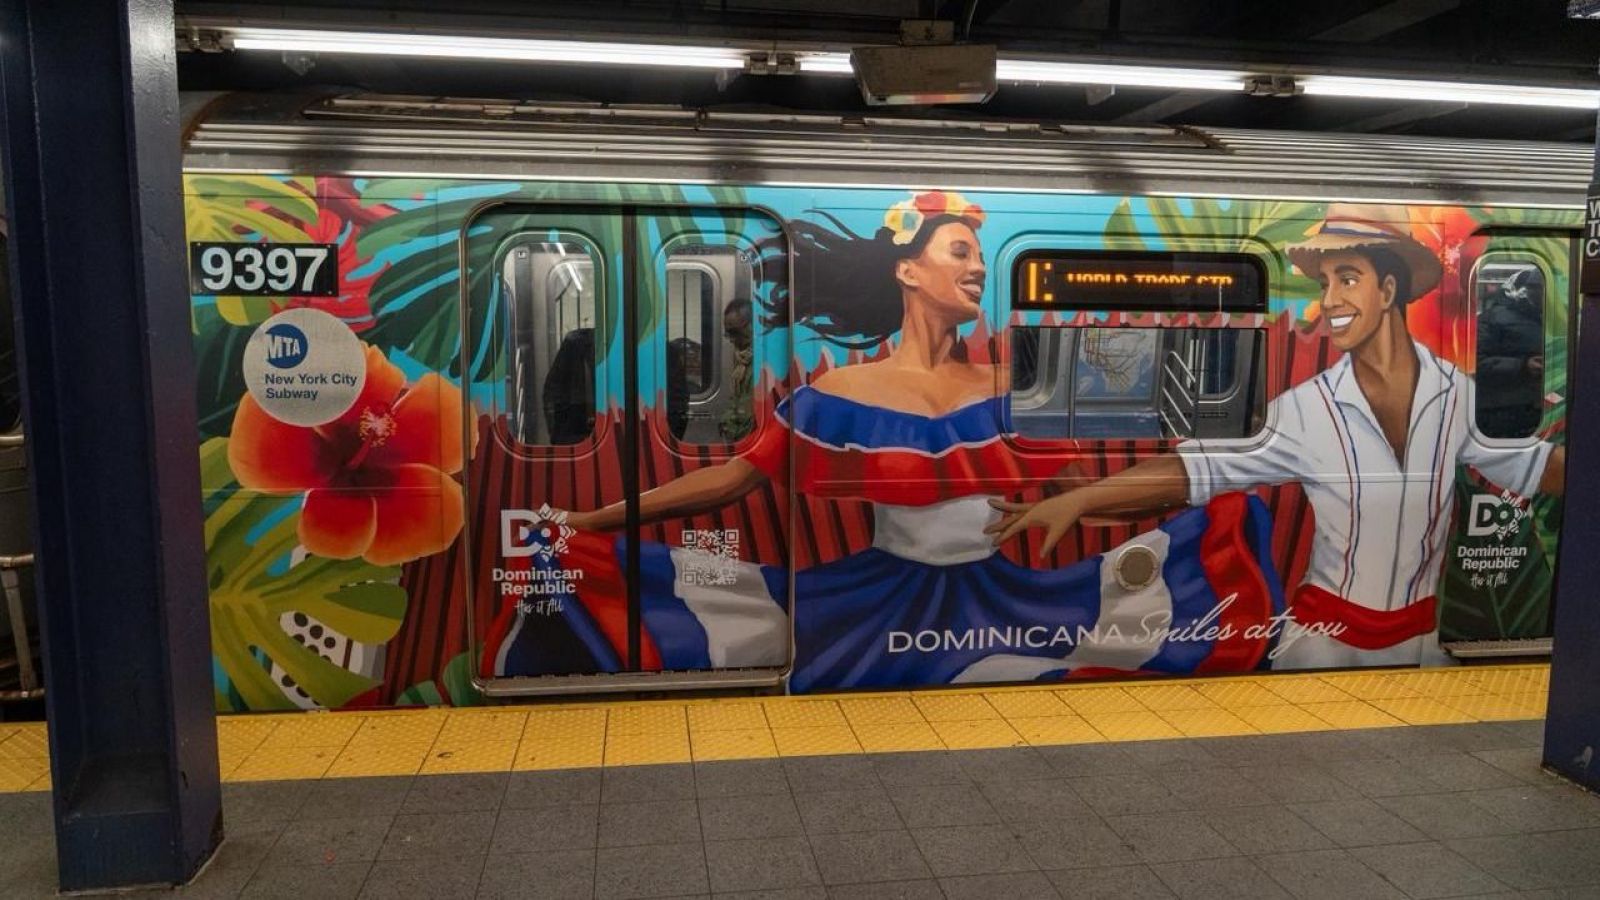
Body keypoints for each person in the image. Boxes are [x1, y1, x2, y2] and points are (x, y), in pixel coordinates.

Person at [484, 191, 1285, 689]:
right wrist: (595, 522)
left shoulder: (1015, 386)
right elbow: (729, 480)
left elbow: (1094, 489)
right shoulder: (837, 395)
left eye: (981, 256)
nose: (978, 269)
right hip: (884, 597)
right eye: (960, 252)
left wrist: (1097, 500)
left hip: (993, 596)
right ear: (908, 270)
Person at [989, 203, 1566, 669]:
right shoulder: (1307, 410)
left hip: (1421, 640)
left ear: (1388, 289)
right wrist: (1081, 499)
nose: (1330, 300)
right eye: (1325, 282)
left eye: (1348, 279)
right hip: (1323, 641)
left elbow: (1536, 465)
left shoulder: (1457, 396)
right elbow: (1197, 469)